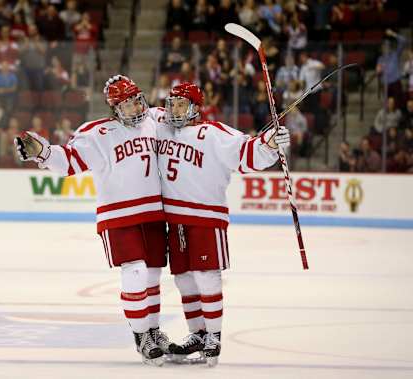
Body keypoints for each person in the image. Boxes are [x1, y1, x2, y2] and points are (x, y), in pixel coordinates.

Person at [14, 75, 175, 366]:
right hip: (118, 215)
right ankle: (141, 336)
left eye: (137, 99)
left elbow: (189, 126)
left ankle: (153, 329)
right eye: (127, 103)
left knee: (151, 276)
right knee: (135, 273)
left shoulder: (156, 119)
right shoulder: (97, 133)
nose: (135, 107)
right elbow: (70, 162)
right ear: (115, 108)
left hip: (154, 211)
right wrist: (45, 153)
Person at [151, 82, 290, 366]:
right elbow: (138, 116)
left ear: (195, 108)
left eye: (181, 104)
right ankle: (198, 334)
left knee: (206, 276)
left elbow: (249, 154)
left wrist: (271, 144)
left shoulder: (214, 133)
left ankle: (213, 336)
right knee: (184, 279)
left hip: (206, 218)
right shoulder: (160, 127)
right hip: (175, 220)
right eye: (172, 103)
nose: (174, 109)